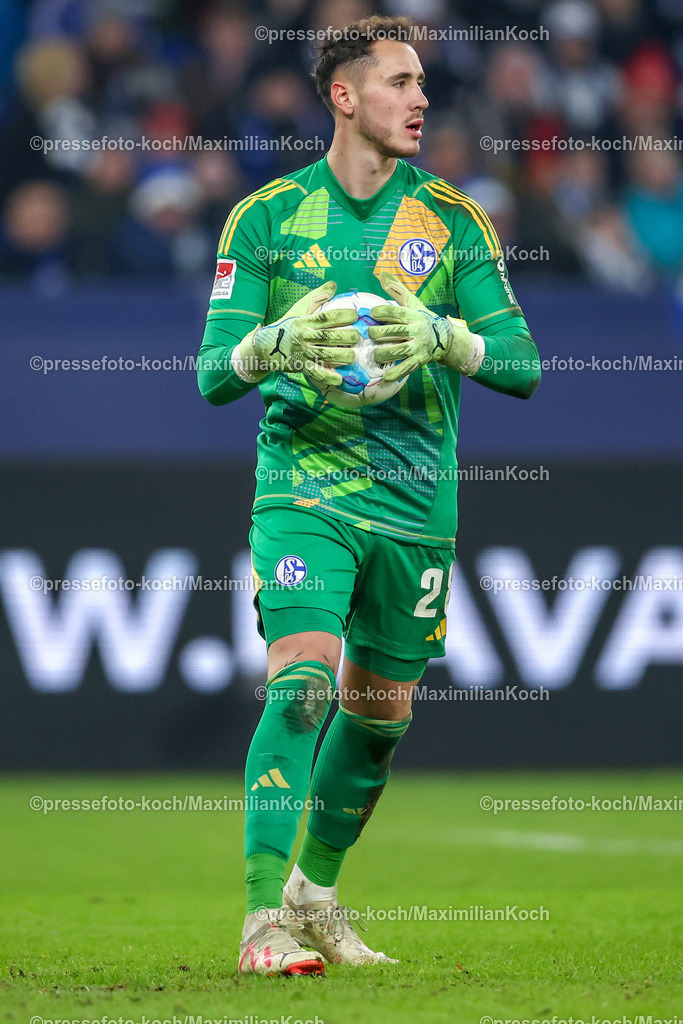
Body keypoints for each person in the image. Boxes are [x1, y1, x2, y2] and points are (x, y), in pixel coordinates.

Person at [197, 14, 541, 977]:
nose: (421, 98)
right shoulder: (264, 218)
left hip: (415, 499)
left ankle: (316, 898)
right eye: (398, 81)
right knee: (304, 685)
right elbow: (211, 378)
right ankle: (262, 920)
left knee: (379, 717)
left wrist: (448, 340)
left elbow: (521, 365)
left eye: (423, 82)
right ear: (344, 96)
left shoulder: (454, 222)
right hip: (303, 482)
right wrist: (265, 346)